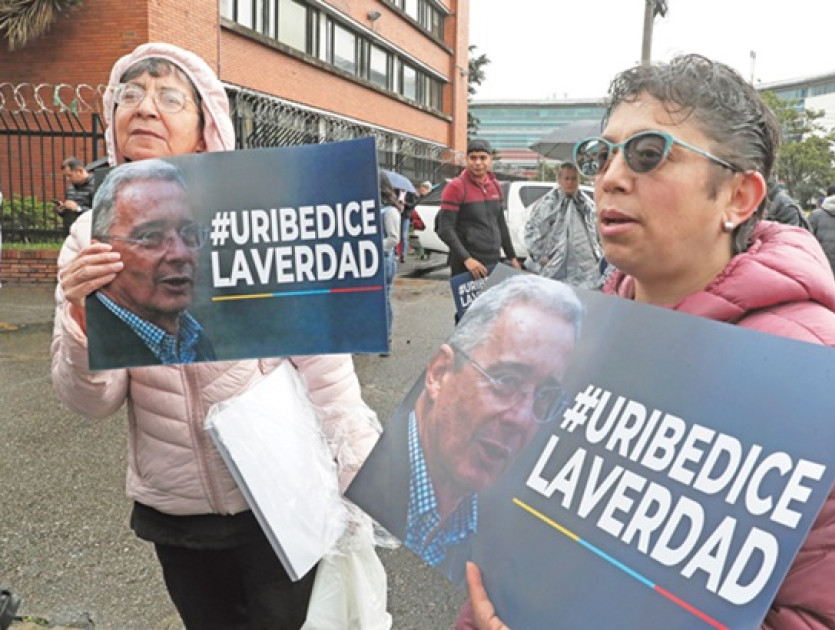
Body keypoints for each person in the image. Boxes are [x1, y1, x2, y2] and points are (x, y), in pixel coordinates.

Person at [458, 54, 835, 629]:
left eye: (648, 153)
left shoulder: (834, 388)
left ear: (739, 197)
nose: (611, 177)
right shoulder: (569, 336)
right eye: (603, 155)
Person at [51, 43, 379, 630]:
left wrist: (355, 472)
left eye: (168, 96)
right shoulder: (89, 239)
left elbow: (324, 366)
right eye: (131, 94)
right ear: (113, 121)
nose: (145, 107)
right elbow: (90, 402)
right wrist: (80, 318)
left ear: (206, 129)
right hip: (174, 509)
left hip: (275, 495)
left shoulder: (257, 215)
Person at [347, 273, 584, 584]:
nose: (521, 419)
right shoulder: (368, 482)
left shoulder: (510, 530)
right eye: (506, 380)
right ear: (439, 373)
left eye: (545, 397)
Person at [86, 160, 214, 369]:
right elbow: (89, 397)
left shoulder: (194, 336)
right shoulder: (86, 336)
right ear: (101, 249)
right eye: (150, 236)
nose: (180, 254)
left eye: (189, 233)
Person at [436, 138, 521, 282]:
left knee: (493, 304)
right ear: (466, 159)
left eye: (483, 158)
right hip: (466, 265)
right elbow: (445, 229)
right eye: (473, 158)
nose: (478, 163)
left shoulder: (495, 186)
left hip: (492, 261)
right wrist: (467, 259)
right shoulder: (456, 187)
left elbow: (500, 224)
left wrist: (512, 257)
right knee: (473, 306)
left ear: (490, 160)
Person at [524, 162, 602, 288]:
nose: (570, 182)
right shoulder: (547, 204)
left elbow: (598, 233)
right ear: (559, 180)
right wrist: (539, 257)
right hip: (554, 267)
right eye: (566, 178)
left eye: (573, 179)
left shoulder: (587, 205)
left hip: (584, 269)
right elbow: (532, 231)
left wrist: (597, 257)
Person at [380, 171, 401, 353]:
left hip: (384, 260)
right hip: (375, 261)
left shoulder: (389, 211)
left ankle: (385, 339)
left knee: (384, 298)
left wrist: (372, 248)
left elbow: (394, 239)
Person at [57, 157, 96, 235]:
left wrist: (78, 208)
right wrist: (62, 210)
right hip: (71, 231)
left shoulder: (96, 185)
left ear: (80, 171)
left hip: (87, 231)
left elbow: (98, 211)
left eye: (70, 175)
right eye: (66, 176)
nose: (68, 179)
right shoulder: (71, 188)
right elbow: (69, 209)